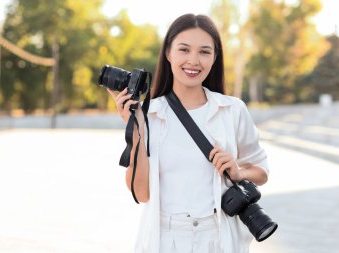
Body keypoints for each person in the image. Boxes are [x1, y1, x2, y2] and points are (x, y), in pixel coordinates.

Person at [107, 13, 269, 253]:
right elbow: (141, 193)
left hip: (220, 239)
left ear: (215, 58)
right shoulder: (149, 114)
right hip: (166, 240)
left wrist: (238, 171)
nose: (194, 60)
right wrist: (136, 128)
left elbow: (262, 172)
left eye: (204, 52)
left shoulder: (232, 110)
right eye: (184, 50)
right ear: (168, 53)